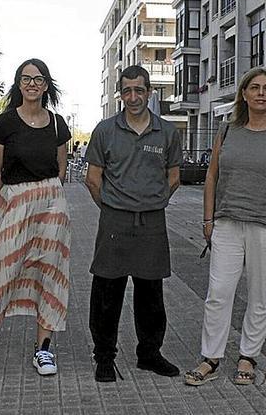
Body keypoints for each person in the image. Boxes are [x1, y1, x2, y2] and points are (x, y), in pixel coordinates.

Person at [184, 67, 266, 387]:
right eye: (254, 87)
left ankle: (248, 356)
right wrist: (208, 219)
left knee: (261, 297)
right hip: (227, 223)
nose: (261, 93)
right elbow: (212, 176)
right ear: (244, 94)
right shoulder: (226, 132)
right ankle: (211, 357)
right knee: (219, 293)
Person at [0, 58, 71, 384]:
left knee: (51, 274)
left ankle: (44, 348)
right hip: (14, 201)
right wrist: (13, 198)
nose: (31, 84)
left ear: (46, 85)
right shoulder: (4, 123)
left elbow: (61, 168)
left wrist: (47, 195)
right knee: (0, 273)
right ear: (18, 84)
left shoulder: (57, 123)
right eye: (25, 79)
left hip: (51, 203)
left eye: (38, 79)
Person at [84, 65, 182, 382]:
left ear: (149, 92)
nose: (133, 96)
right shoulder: (104, 130)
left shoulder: (167, 132)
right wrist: (115, 206)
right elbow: (92, 179)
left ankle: (150, 355)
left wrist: (153, 201)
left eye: (139, 90)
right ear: (120, 94)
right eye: (127, 90)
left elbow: (174, 177)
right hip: (114, 221)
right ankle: (104, 358)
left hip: (152, 222)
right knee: (106, 293)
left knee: (151, 294)